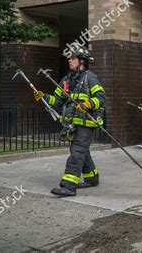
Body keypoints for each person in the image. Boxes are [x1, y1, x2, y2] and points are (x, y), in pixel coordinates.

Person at [34, 46, 106, 197]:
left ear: (81, 61)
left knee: (77, 152)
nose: (69, 60)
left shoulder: (90, 78)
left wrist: (88, 104)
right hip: (72, 123)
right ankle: (92, 178)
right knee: (81, 151)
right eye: (70, 58)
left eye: (73, 58)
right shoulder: (67, 80)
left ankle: (68, 186)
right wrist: (45, 97)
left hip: (86, 123)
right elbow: (57, 100)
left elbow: (101, 98)